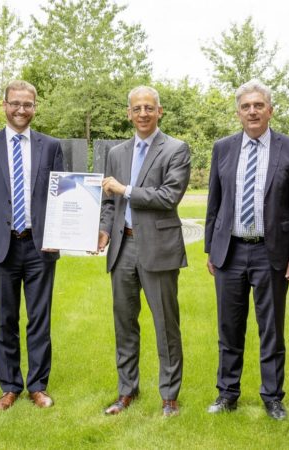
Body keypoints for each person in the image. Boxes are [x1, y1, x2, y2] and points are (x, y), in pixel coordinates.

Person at [205, 79, 289, 420]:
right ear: (239, 113)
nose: (252, 111)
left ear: (270, 111)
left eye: (258, 105)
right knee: (229, 328)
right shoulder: (223, 148)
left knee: (272, 330)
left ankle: (273, 397)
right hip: (230, 252)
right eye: (246, 106)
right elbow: (214, 202)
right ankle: (227, 394)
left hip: (272, 253)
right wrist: (210, 249)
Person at [0, 80, 64, 410]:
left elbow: (62, 197)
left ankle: (37, 385)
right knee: (4, 320)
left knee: (39, 319)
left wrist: (63, 236)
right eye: (15, 103)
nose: (21, 109)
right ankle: (9, 386)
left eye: (28, 104)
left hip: (40, 246)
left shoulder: (51, 146)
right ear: (5, 105)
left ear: (35, 107)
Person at [98, 86, 190, 417]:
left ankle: (169, 397)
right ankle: (127, 391)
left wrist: (126, 189)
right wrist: (104, 229)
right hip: (122, 246)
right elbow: (109, 202)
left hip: (158, 247)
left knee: (165, 325)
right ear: (128, 114)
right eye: (136, 108)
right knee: (124, 323)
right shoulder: (117, 153)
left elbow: (168, 196)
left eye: (149, 107)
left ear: (159, 111)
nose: (143, 114)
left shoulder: (176, 149)